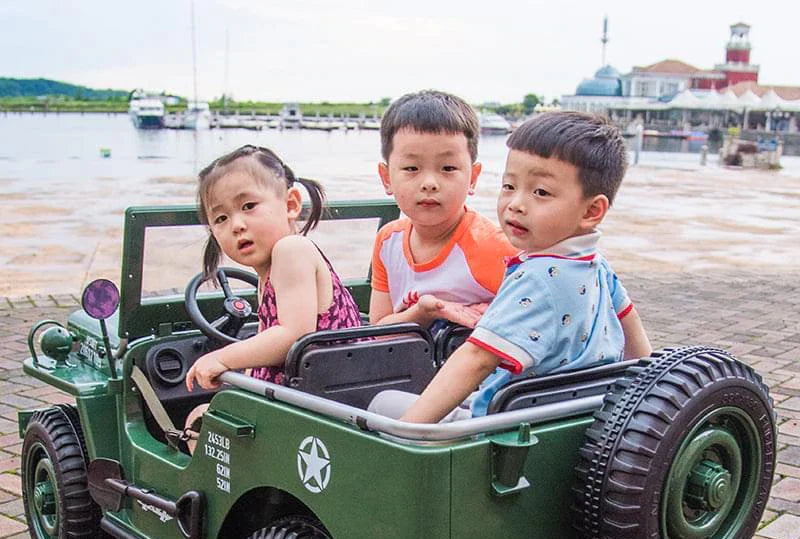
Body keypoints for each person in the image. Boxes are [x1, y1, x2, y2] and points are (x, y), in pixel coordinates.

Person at [375, 111, 651, 423]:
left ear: (592, 210)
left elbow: (477, 358)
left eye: (541, 192)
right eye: (509, 186)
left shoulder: (536, 279)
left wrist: (410, 429)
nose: (516, 204)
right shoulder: (598, 268)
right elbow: (637, 343)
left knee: (382, 402)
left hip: (499, 430)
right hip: (571, 419)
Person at [184, 144, 362, 444]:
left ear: (291, 204)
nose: (237, 225)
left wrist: (221, 358)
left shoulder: (292, 250)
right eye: (221, 219)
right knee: (204, 414)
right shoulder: (268, 274)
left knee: (199, 420)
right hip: (308, 401)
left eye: (249, 206)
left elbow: (292, 334)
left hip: (319, 410)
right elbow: (268, 350)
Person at [368, 89, 516, 330]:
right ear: (386, 178)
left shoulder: (498, 248)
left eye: (447, 168)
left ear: (473, 178)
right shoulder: (387, 241)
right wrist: (422, 313)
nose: (430, 183)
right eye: (411, 168)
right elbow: (379, 329)